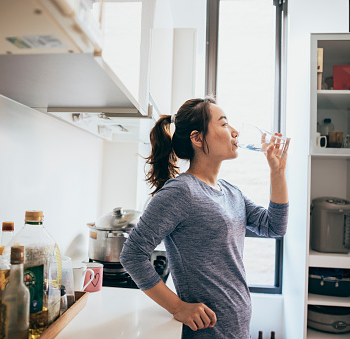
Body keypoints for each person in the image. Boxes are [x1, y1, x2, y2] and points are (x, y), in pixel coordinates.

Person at [119, 97, 288, 338]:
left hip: (237, 327)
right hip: (207, 332)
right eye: (224, 124)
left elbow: (274, 227)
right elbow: (132, 254)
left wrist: (278, 172)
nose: (235, 131)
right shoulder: (181, 192)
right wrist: (178, 307)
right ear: (198, 138)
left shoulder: (231, 191)